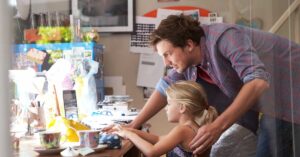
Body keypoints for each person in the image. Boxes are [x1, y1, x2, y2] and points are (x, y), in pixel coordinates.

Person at [124, 14, 300, 157]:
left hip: (292, 99)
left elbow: (257, 81)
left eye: (168, 54)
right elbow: (165, 87)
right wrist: (132, 125)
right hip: (274, 106)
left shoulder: (225, 37)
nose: (165, 62)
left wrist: (217, 127)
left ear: (189, 44)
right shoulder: (192, 64)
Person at [114, 81, 218, 157]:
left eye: (169, 104)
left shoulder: (183, 130)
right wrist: (130, 130)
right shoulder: (191, 127)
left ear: (182, 108)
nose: (166, 108)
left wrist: (129, 135)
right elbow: (159, 140)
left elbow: (152, 152)